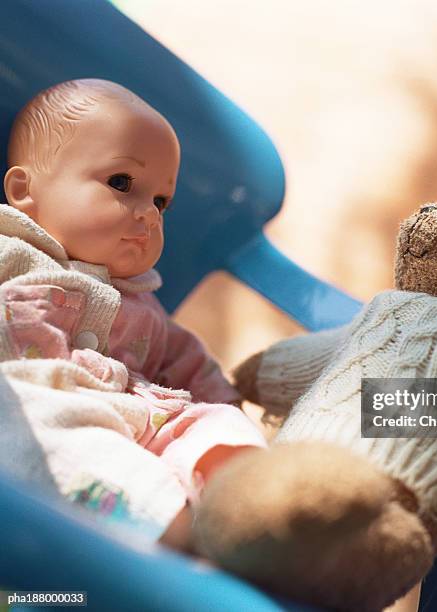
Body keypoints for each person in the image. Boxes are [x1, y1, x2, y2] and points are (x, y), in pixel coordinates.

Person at [1, 78, 266, 547]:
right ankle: (173, 534)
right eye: (122, 183)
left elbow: (187, 364)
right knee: (38, 422)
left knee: (211, 422)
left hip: (140, 420)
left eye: (161, 201)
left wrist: (225, 409)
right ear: (25, 190)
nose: (150, 214)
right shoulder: (11, 252)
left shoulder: (144, 303)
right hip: (34, 411)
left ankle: (251, 498)